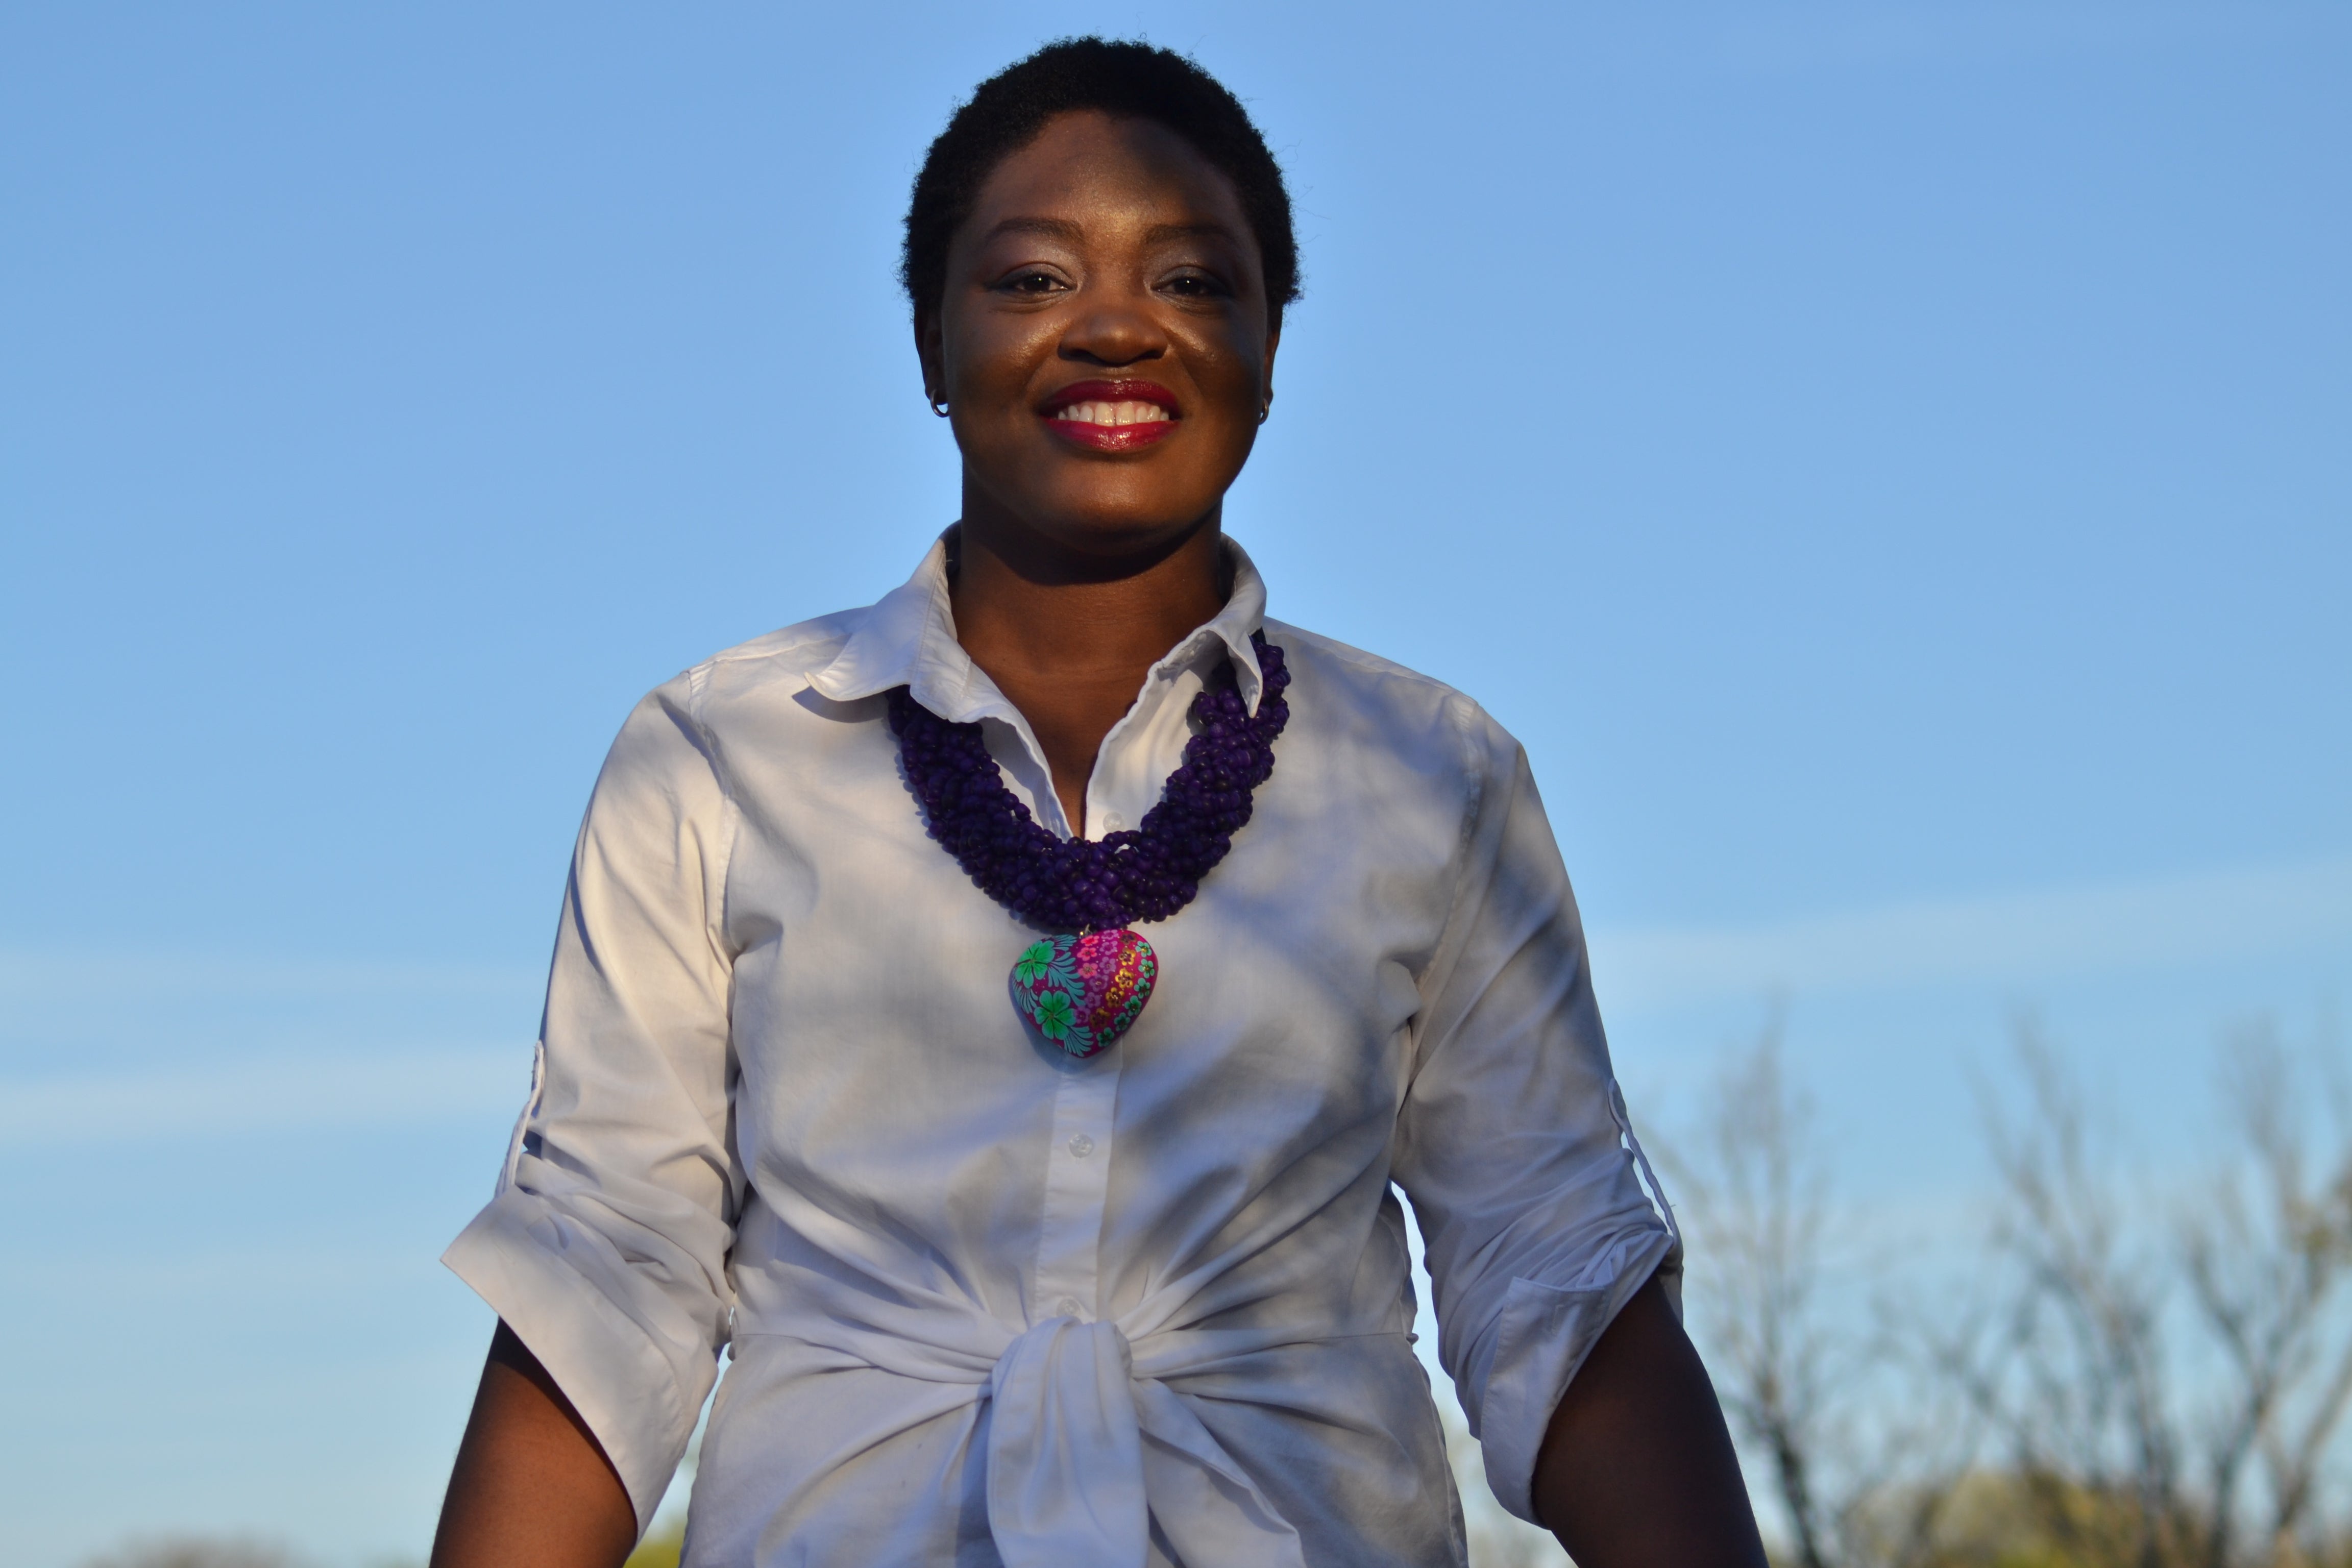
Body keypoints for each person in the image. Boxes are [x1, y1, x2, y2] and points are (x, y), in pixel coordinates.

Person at [429, 37, 1767, 1568]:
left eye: (1195, 281)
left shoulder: (1430, 774)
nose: (1118, 328)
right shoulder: (717, 755)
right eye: (1031, 280)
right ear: (930, 344)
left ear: (1272, 350)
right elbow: (610, 1266)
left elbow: (1553, 1270)